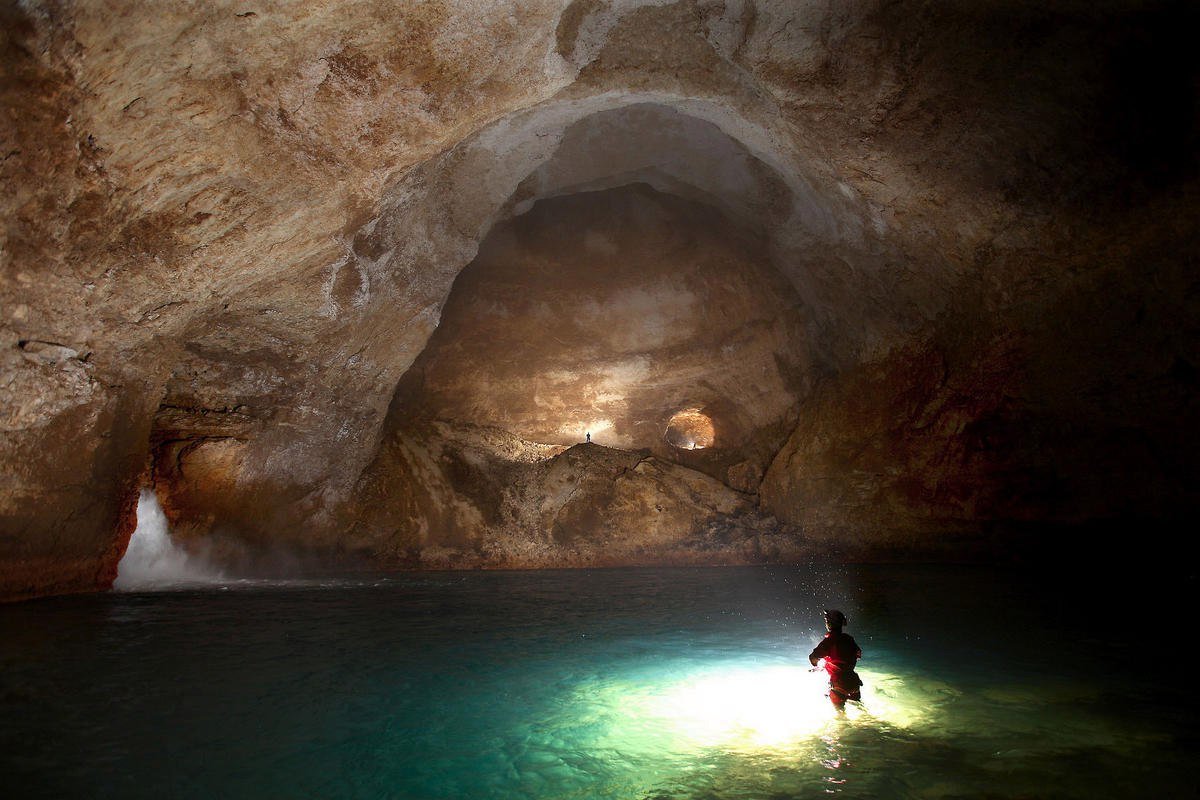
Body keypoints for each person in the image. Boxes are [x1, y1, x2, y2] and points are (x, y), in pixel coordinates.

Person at [809, 609, 863, 708]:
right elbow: (858, 655)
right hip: (853, 681)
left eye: (826, 621)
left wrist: (818, 664)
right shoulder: (849, 639)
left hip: (839, 684)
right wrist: (826, 665)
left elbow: (813, 658)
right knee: (860, 709)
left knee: (841, 718)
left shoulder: (829, 641)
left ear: (829, 623)